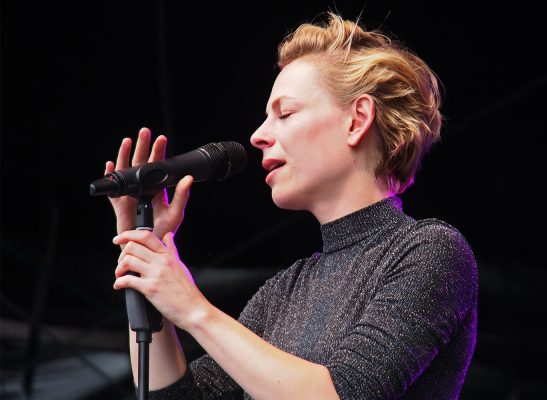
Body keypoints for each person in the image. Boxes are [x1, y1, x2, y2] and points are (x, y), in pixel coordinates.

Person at [104, 12, 477, 399]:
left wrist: (193, 308)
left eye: (284, 114)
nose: (258, 135)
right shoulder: (285, 291)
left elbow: (343, 394)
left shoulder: (430, 252)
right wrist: (149, 262)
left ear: (357, 120)